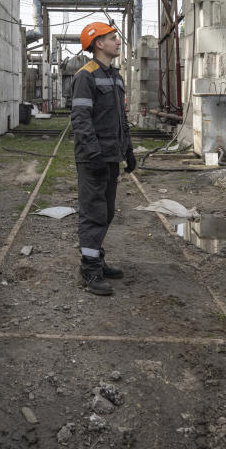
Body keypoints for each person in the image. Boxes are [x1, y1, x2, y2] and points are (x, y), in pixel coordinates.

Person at [71, 22, 136, 296]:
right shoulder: (85, 76)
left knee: (107, 212)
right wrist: (94, 153)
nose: (117, 42)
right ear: (99, 43)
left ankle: (97, 256)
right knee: (93, 213)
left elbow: (120, 119)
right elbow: (81, 119)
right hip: (93, 158)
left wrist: (128, 149)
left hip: (112, 156)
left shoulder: (116, 77)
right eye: (113, 38)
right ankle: (89, 269)